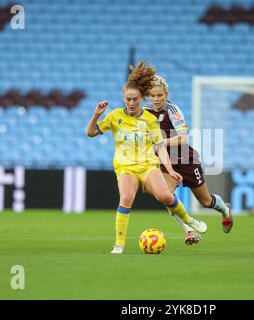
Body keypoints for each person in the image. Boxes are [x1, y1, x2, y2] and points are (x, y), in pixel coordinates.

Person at [86, 61, 207, 254]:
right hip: (125, 168)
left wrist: (171, 170)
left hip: (148, 166)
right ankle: (119, 245)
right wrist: (96, 115)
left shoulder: (150, 120)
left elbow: (160, 148)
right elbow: (90, 132)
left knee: (165, 195)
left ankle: (189, 221)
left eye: (135, 99)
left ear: (142, 99)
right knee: (125, 198)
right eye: (128, 99)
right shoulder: (115, 116)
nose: (131, 103)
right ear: (123, 99)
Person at [144, 75, 233, 243]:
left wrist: (159, 142)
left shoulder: (173, 111)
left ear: (166, 94)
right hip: (165, 162)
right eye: (153, 95)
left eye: (159, 95)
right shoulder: (145, 111)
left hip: (185, 159)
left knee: (206, 201)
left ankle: (225, 210)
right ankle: (190, 230)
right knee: (167, 196)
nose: (156, 99)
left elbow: (183, 138)